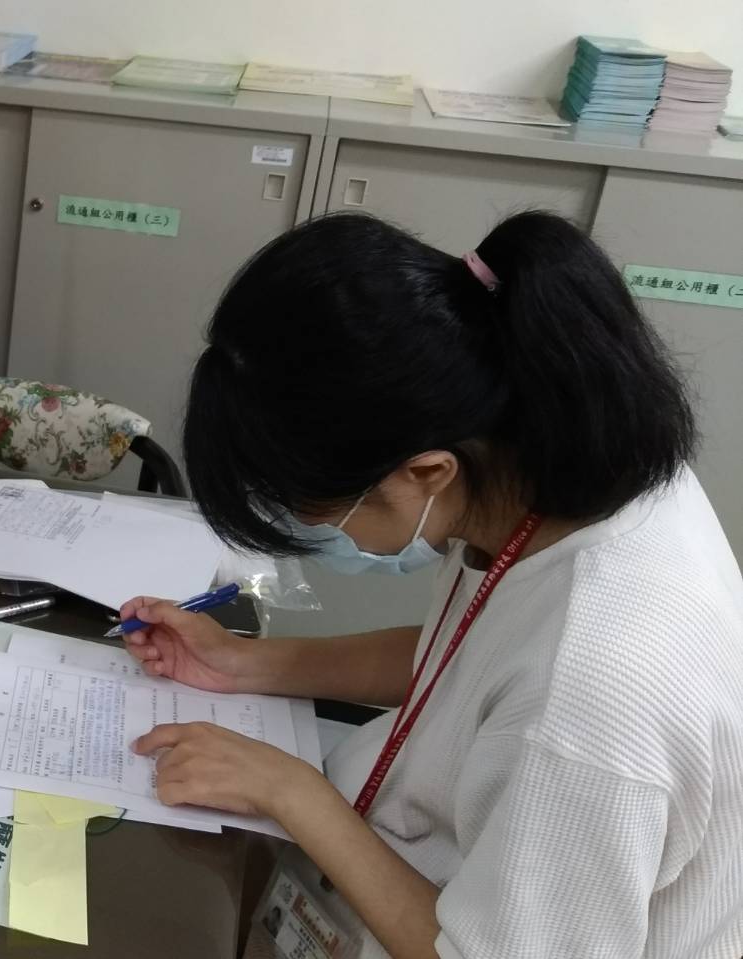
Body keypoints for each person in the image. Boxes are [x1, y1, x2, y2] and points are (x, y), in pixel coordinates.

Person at [121, 211, 743, 958]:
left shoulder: (595, 693)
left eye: (316, 513)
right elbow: (473, 660)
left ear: (423, 473)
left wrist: (290, 791)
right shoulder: (553, 469)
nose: (317, 533)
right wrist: (241, 663)